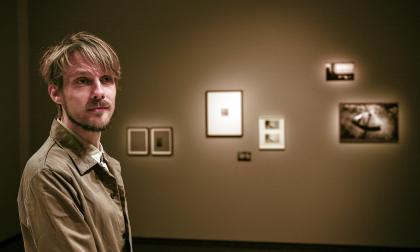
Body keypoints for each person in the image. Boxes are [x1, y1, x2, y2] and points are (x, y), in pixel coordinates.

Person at [17, 32, 132, 252]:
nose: (99, 92)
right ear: (55, 93)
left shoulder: (105, 161)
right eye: (83, 81)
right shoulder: (48, 173)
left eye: (106, 79)